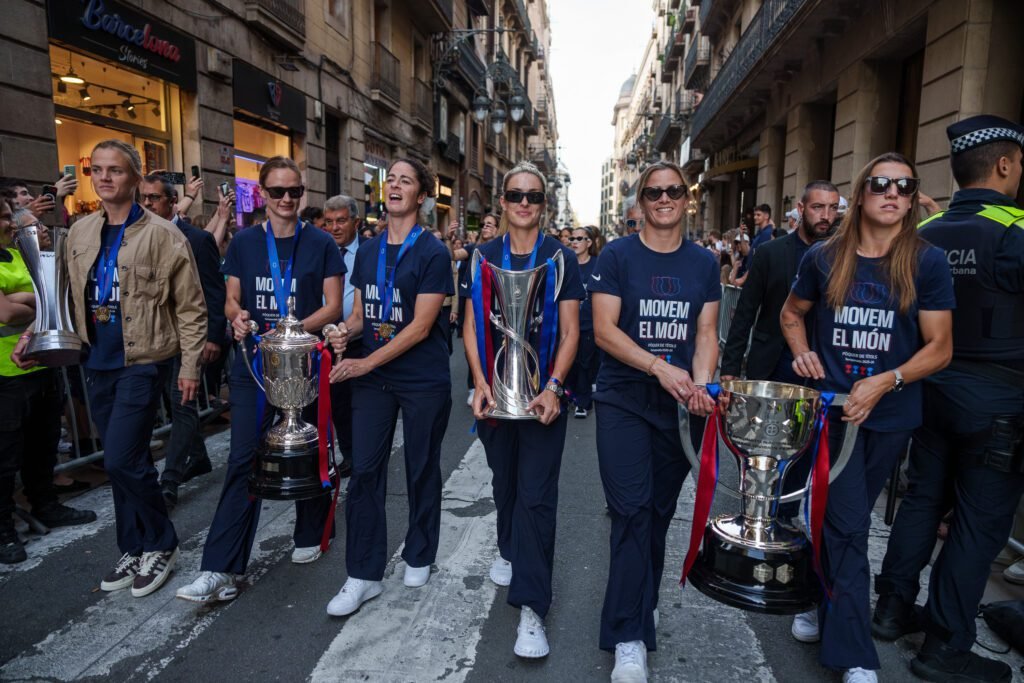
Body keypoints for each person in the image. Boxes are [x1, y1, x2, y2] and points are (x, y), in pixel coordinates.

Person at [780, 152, 955, 683]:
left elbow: (940, 348)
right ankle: (855, 654)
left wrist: (886, 380)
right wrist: (801, 351)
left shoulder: (927, 261)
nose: (893, 193)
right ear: (861, 193)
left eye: (905, 186)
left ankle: (816, 592)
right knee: (850, 527)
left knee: (839, 525)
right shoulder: (825, 258)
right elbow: (792, 315)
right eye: (881, 183)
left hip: (891, 415)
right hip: (831, 415)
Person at [872, 116, 1024, 683]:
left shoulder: (928, 234)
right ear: (1005, 165)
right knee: (977, 527)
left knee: (921, 502)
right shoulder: (1013, 228)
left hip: (928, 388)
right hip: (996, 404)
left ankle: (889, 610)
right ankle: (944, 647)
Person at [23, 139, 207, 596]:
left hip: (142, 361)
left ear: (135, 177)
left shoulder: (165, 235)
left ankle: (162, 543)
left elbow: (190, 309)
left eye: (116, 170)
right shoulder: (81, 232)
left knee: (124, 457)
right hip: (94, 360)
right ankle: (134, 544)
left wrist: (190, 368)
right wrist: (34, 334)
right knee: (123, 460)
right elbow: (64, 295)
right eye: (98, 170)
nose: (104, 177)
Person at [176, 156, 343, 603]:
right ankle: (221, 569)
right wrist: (238, 317)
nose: (287, 199)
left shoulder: (322, 242)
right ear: (263, 196)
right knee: (243, 458)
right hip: (254, 364)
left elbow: (333, 306)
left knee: (308, 446)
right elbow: (231, 300)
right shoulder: (246, 242)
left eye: (294, 192)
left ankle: (311, 531)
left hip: (303, 362)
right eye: (277, 192)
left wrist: (291, 334)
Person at [589, 161, 719, 682]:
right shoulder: (616, 256)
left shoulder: (705, 263)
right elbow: (603, 330)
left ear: (686, 199)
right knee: (632, 511)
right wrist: (660, 366)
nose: (664, 198)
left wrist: (703, 385)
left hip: (679, 407)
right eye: (653, 192)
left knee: (658, 515)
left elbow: (706, 331)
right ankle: (627, 634)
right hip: (624, 398)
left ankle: (639, 601)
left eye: (674, 191)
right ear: (639, 202)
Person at [462, 160, 583, 659]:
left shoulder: (561, 258)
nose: (525, 204)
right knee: (505, 484)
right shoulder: (481, 256)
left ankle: (532, 609)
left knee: (536, 496)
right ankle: (509, 547)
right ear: (503, 201)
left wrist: (555, 385)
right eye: (516, 196)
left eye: (534, 196)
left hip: (542, 399)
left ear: (543, 204)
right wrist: (478, 382)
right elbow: (471, 324)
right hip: (495, 396)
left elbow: (573, 329)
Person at [323, 158, 453, 616]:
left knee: (420, 466)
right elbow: (361, 316)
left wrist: (362, 363)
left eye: (405, 181)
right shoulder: (370, 249)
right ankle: (362, 574)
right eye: (390, 179)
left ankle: (419, 552)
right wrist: (344, 333)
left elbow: (419, 327)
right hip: (374, 377)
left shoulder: (433, 252)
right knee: (366, 472)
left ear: (421, 197)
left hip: (422, 377)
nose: (394, 185)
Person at [0, 203, 96, 564]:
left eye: (10, 215)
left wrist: (30, 299)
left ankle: (46, 505)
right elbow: (8, 313)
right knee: (5, 459)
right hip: (6, 375)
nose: (12, 223)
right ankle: (4, 529)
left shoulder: (16, 255)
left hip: (42, 365)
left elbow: (55, 297)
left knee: (43, 445)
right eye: (4, 216)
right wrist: (37, 301)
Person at [138, 174, 225, 510]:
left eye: (154, 198)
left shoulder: (197, 238)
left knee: (183, 404)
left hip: (187, 340)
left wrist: (213, 336)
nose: (148, 204)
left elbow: (213, 290)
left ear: (172, 202)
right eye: (143, 198)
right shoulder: (137, 238)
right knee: (172, 405)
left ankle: (169, 480)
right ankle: (198, 457)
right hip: (152, 340)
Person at [722, 181, 839, 384]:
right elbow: (745, 311)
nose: (826, 216)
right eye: (818, 207)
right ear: (801, 209)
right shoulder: (770, 253)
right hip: (772, 365)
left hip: (822, 369)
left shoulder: (843, 257)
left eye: (833, 208)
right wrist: (730, 367)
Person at [322, 194, 362, 479]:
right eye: (329, 222)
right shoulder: (321, 251)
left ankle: (364, 453)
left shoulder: (370, 252)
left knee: (361, 401)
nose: (335, 227)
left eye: (341, 221)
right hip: (327, 341)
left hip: (361, 341)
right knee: (337, 402)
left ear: (356, 222)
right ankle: (349, 453)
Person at [567, 225, 599, 418]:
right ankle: (570, 395)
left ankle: (583, 402)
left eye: (580, 239)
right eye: (572, 239)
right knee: (570, 363)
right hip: (567, 324)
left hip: (588, 324)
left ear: (589, 243)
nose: (575, 242)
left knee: (585, 364)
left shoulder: (598, 264)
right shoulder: (567, 263)